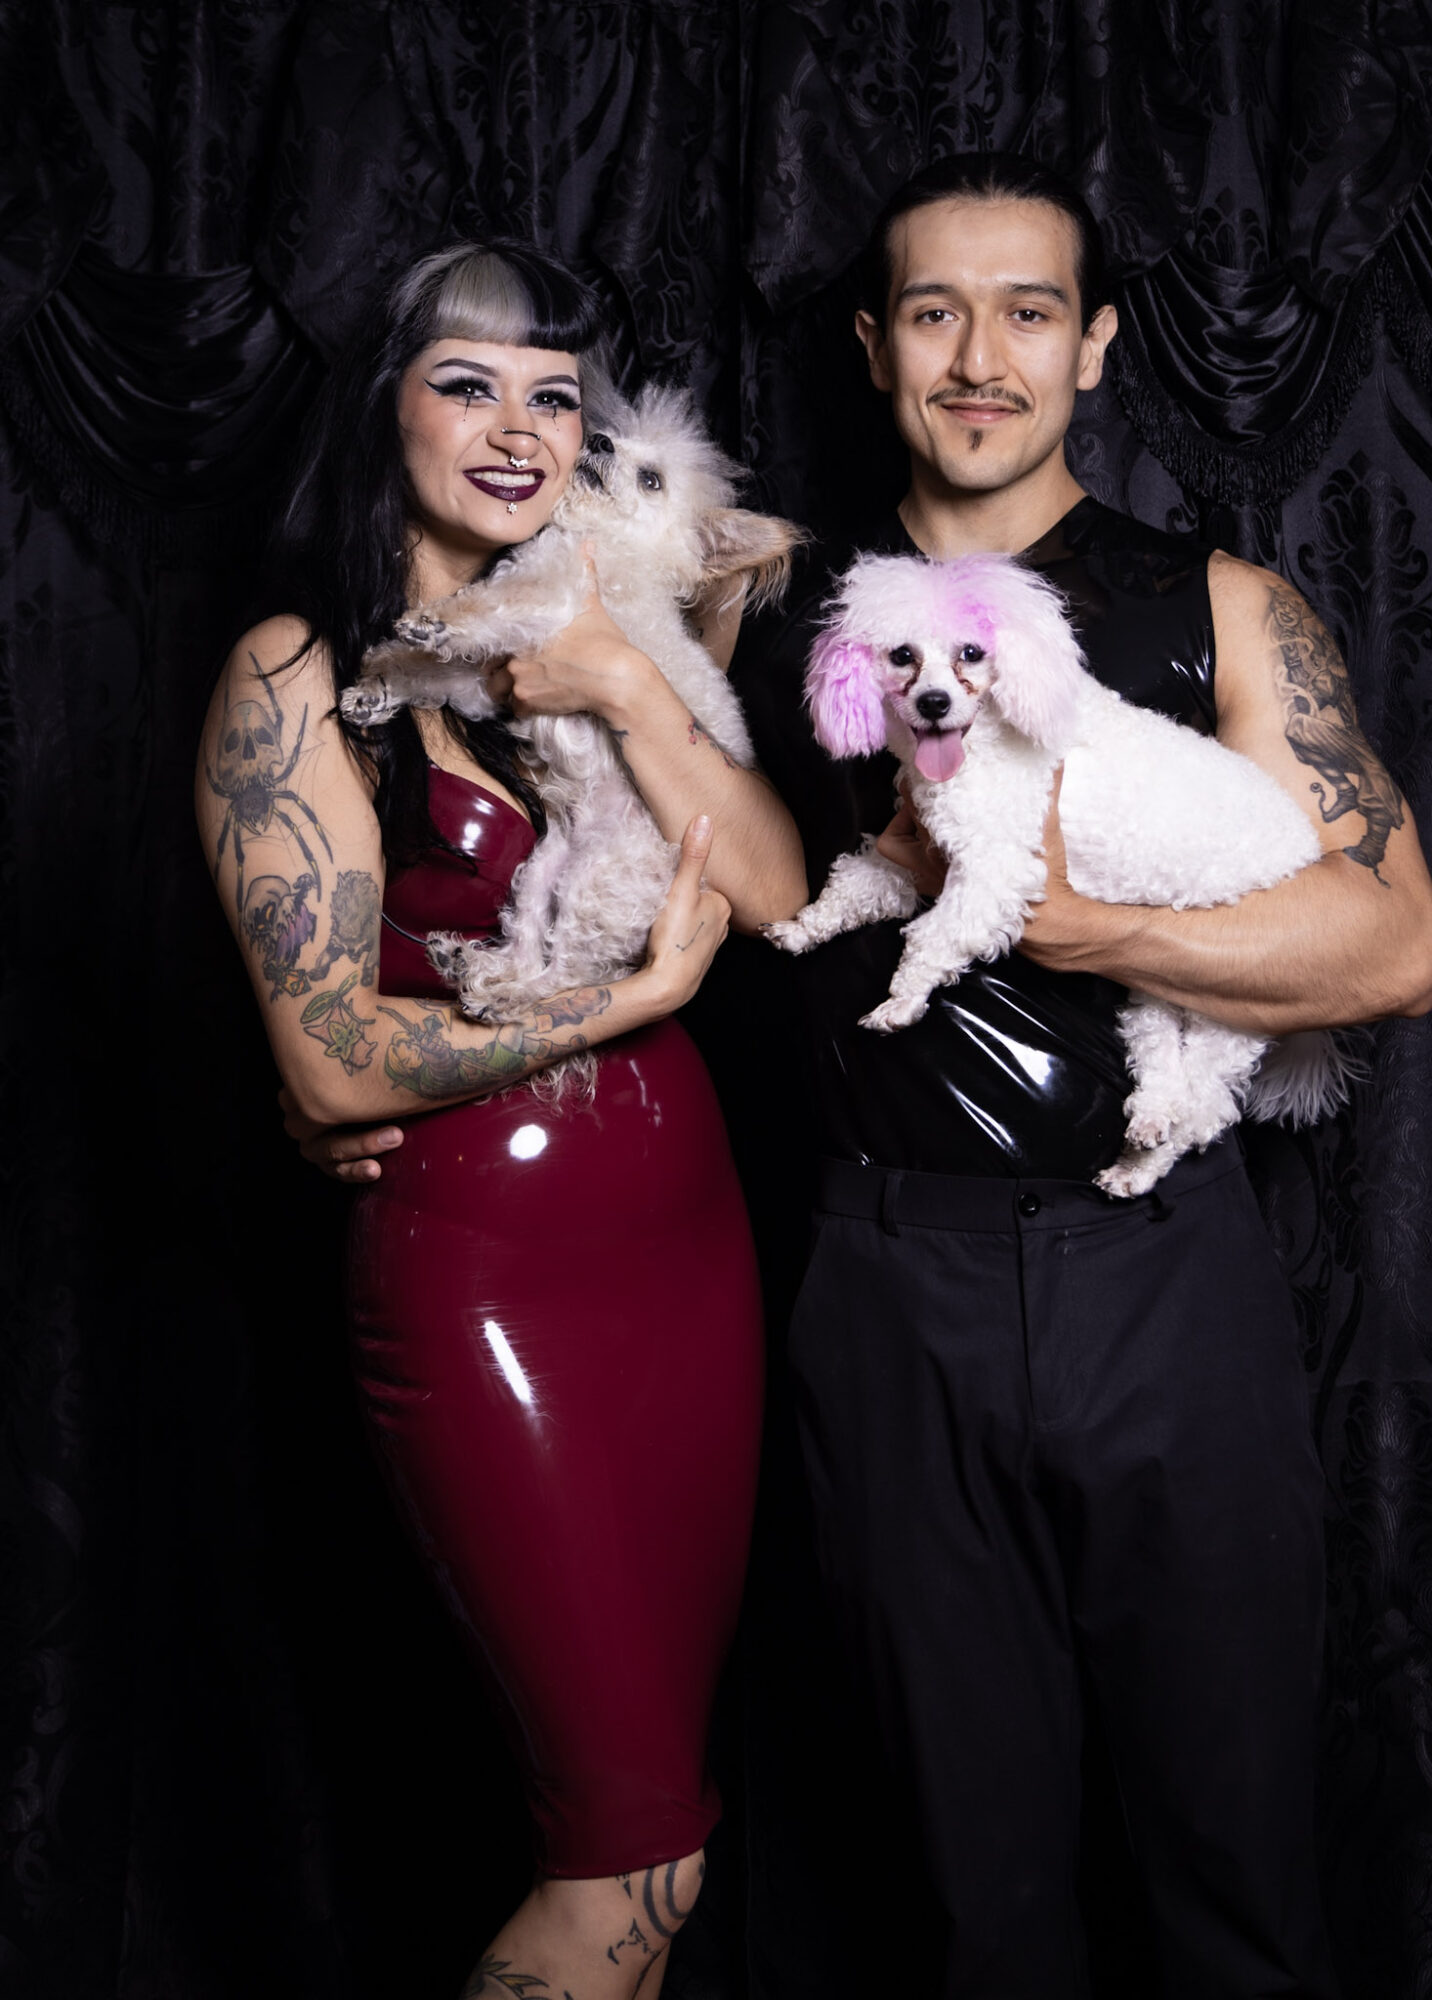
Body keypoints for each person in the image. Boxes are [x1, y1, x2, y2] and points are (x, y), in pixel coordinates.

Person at [300, 159, 1432, 1998]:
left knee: (1232, 1875)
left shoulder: (1221, 605)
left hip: (1168, 1284)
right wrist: (357, 1071)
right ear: (874, 346)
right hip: (886, 1285)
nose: (979, 356)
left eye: (1026, 313)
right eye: (934, 313)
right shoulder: (776, 599)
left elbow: (1392, 949)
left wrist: (1069, 924)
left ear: (1095, 350)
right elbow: (713, 868)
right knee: (963, 1898)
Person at [196, 239, 805, 2000]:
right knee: (623, 1855)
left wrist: (629, 676)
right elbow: (327, 1062)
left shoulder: (607, 630)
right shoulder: (298, 670)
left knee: (670, 1849)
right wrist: (618, 1004)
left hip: (689, 1254)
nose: (523, 429)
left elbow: (767, 889)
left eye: (558, 397)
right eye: (468, 385)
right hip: (488, 1281)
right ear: (384, 405)